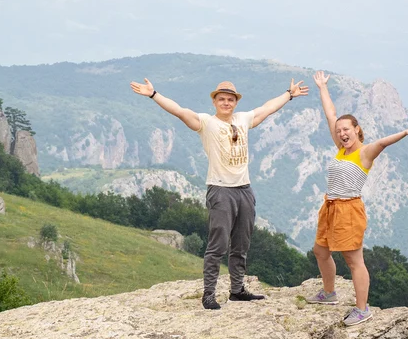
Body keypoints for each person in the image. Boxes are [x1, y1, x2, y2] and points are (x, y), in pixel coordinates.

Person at [130, 76, 309, 309]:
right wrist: (154, 95)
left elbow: (267, 108)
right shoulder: (206, 122)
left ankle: (237, 290)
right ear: (215, 102)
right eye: (222, 99)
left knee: (241, 243)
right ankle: (209, 293)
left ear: (235, 102)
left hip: (244, 189)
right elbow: (180, 111)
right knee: (218, 244)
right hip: (221, 189)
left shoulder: (244, 119)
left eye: (230, 99)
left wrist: (289, 94)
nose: (226, 102)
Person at [306, 70, 408, 325]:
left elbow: (382, 142)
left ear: (357, 129)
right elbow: (330, 113)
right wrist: (323, 88)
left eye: (346, 129)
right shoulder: (341, 149)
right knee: (320, 250)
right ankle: (329, 293)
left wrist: (404, 132)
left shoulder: (364, 153)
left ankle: (362, 309)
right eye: (339, 131)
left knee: (353, 260)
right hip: (330, 207)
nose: (341, 133)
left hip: (349, 210)